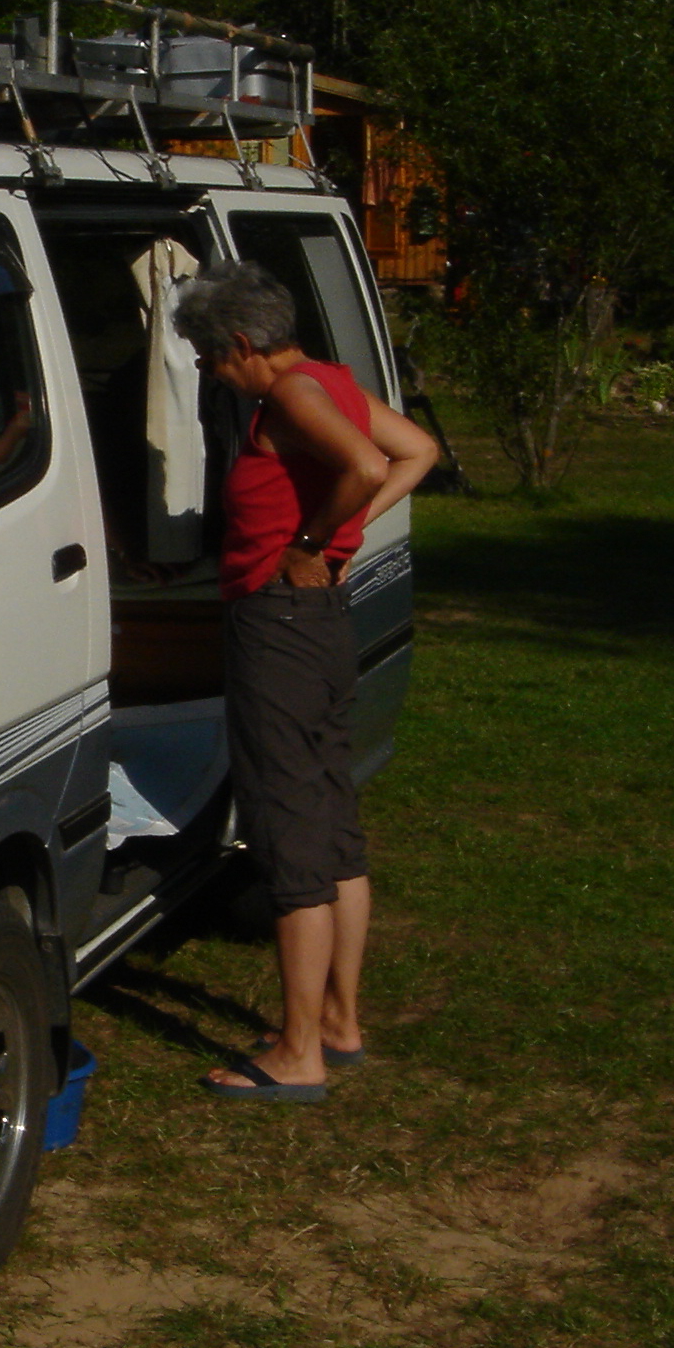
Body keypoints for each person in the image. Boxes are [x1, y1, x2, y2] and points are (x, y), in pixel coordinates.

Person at [169, 262, 440, 1102]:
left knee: (288, 833)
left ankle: (297, 1054)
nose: (213, 374)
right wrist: (342, 536)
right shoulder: (332, 381)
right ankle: (337, 1022)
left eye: (212, 359)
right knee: (329, 820)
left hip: (279, 624)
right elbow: (417, 450)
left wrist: (313, 543)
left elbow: (364, 464)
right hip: (318, 622)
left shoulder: (290, 396)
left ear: (241, 343)